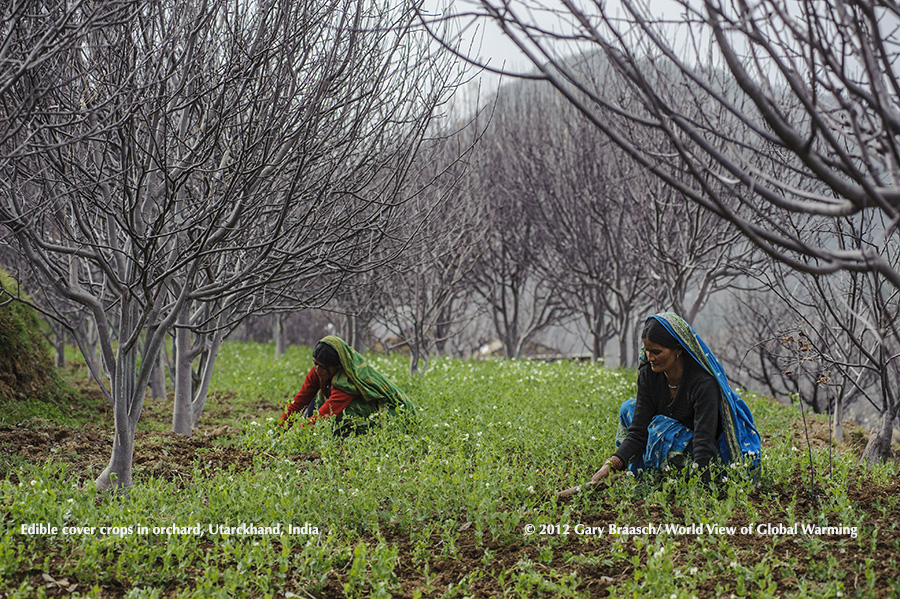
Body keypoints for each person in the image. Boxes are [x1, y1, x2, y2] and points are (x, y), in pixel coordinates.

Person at [560, 312, 761, 497]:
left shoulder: (702, 383)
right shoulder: (649, 375)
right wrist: (612, 464)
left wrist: (703, 487)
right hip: (670, 441)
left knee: (660, 428)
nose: (650, 357)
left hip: (700, 452)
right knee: (629, 409)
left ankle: (666, 475)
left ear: (678, 350)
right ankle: (644, 471)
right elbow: (638, 430)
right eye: (646, 351)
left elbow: (704, 441)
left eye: (656, 351)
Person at [279, 335, 414, 434]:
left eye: (323, 366)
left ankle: (362, 433)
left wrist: (294, 434)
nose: (318, 370)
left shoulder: (347, 382)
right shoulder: (317, 372)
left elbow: (326, 413)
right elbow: (300, 400)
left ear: (336, 366)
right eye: (315, 364)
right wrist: (279, 430)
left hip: (387, 409)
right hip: (338, 406)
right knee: (313, 401)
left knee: (343, 416)